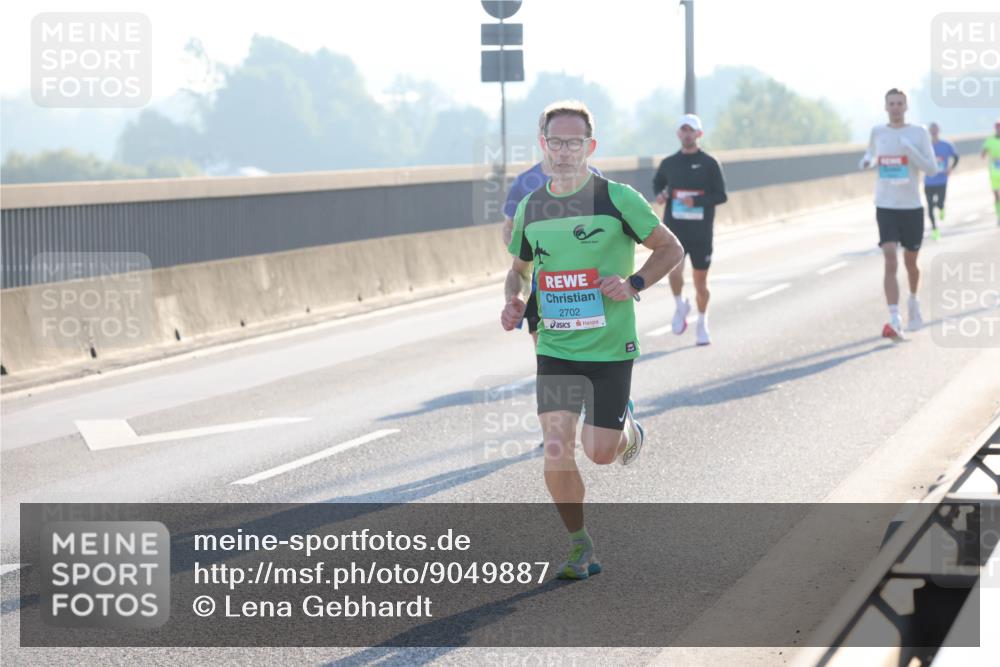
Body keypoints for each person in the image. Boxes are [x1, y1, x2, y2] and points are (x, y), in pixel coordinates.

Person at [500, 100, 684, 580]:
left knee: (600, 452)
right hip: (556, 348)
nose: (564, 151)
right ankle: (579, 545)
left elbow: (671, 248)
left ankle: (627, 431)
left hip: (609, 348)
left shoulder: (617, 198)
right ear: (544, 145)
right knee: (556, 447)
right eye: (555, 142)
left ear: (590, 146)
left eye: (573, 142)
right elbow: (519, 272)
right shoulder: (531, 207)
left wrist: (634, 284)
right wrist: (515, 302)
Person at [502, 113, 603, 345]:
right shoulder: (524, 182)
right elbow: (508, 228)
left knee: (588, 354)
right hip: (543, 283)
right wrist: (523, 251)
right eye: (549, 134)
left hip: (584, 282)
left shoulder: (594, 176)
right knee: (546, 359)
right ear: (542, 138)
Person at [859, 88, 938, 340]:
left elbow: (932, 169)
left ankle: (913, 301)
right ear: (885, 107)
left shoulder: (918, 133)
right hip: (886, 205)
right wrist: (867, 162)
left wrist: (909, 151)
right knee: (890, 258)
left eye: (899, 104)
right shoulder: (878, 132)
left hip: (911, 207)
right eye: (891, 103)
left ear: (906, 107)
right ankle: (895, 318)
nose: (895, 108)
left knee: (911, 263)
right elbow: (870, 153)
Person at [652, 113, 728, 345]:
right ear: (678, 134)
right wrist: (662, 195)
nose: (687, 134)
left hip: (701, 232)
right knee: (674, 273)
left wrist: (695, 202)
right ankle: (680, 305)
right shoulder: (669, 163)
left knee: (701, 283)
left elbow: (721, 195)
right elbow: (657, 185)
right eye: (683, 130)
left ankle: (702, 321)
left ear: (699, 134)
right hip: (675, 230)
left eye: (691, 130)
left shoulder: (710, 163)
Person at [923, 122, 958, 241]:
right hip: (929, 181)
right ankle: (935, 229)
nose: (933, 131)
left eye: (935, 129)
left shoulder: (946, 145)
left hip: (942, 180)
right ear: (929, 131)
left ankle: (941, 207)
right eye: (931, 129)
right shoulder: (925, 146)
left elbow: (956, 157)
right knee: (930, 206)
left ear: (939, 130)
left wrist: (951, 168)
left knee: (940, 203)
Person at [981, 118, 1000, 226]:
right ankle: (999, 216)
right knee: (997, 196)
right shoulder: (990, 140)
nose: (998, 129)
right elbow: (983, 154)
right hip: (994, 173)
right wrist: (985, 152)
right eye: (997, 127)